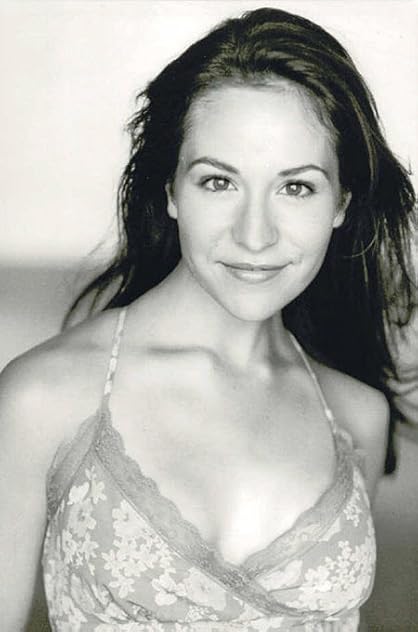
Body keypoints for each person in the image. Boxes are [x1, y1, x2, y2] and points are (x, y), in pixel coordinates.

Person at [0, 6, 416, 631]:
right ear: (171, 190)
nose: (254, 235)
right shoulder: (43, 398)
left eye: (296, 187)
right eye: (219, 182)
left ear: (341, 204)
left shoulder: (357, 416)